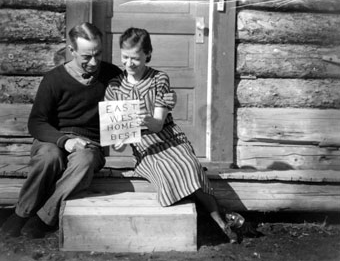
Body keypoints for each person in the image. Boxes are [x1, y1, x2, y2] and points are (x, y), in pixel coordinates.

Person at [1, 22, 176, 239]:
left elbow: (138, 98)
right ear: (71, 50)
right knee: (49, 157)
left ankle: (45, 217)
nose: (93, 62)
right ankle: (21, 212)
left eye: (98, 54)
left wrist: (167, 101)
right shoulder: (53, 79)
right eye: (86, 56)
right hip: (54, 139)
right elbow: (36, 123)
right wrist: (64, 141)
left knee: (84, 160)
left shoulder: (113, 77)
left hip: (90, 144)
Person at [104, 27, 245, 244]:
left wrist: (144, 118)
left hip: (169, 138)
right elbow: (119, 144)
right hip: (144, 147)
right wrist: (120, 138)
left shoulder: (159, 79)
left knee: (188, 165)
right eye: (124, 57)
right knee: (167, 172)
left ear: (147, 55)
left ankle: (220, 224)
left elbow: (158, 124)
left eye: (135, 58)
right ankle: (221, 214)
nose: (129, 64)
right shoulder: (114, 87)